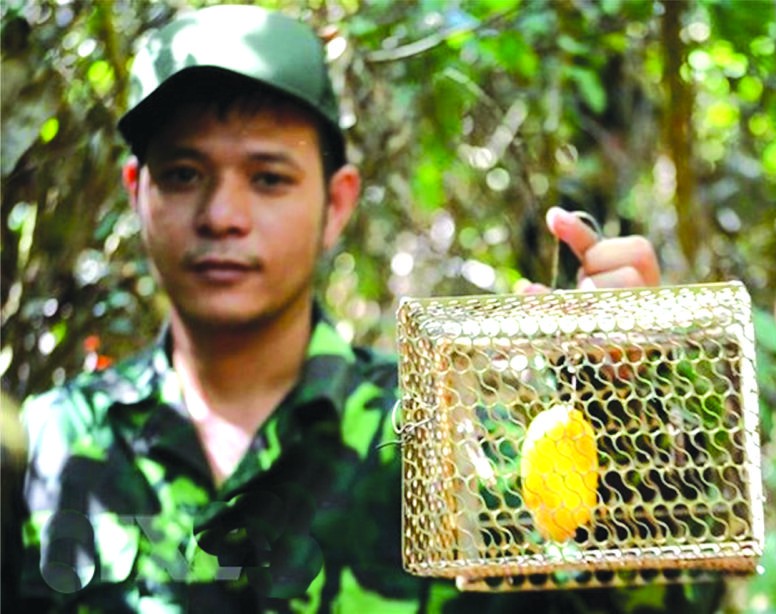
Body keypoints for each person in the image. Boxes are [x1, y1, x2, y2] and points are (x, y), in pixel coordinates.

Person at [11, 4, 720, 612]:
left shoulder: (451, 443)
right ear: (137, 193)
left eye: (268, 178)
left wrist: (624, 405)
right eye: (184, 174)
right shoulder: (43, 449)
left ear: (337, 203)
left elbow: (658, 598)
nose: (222, 215)